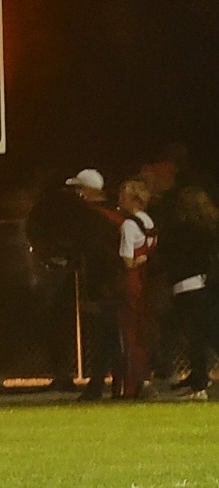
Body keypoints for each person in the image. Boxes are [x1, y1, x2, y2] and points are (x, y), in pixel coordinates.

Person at [25, 168, 121, 399]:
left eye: (79, 188)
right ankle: (108, 382)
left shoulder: (98, 217)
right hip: (104, 284)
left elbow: (94, 252)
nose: (76, 193)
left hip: (106, 285)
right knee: (106, 335)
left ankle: (106, 383)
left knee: (107, 335)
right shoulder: (103, 215)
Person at [157, 185, 219, 401]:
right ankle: (198, 379)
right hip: (206, 286)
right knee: (208, 334)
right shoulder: (209, 229)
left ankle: (199, 384)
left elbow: (165, 256)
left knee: (196, 338)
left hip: (186, 287)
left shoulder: (180, 231)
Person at [104, 178, 158, 400]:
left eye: (123, 195)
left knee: (129, 334)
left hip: (131, 282)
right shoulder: (149, 222)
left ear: (134, 199)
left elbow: (127, 261)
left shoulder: (128, 225)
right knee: (142, 331)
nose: (119, 199)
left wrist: (139, 259)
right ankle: (141, 379)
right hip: (147, 283)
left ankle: (136, 382)